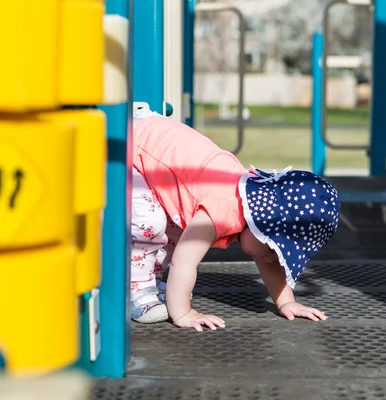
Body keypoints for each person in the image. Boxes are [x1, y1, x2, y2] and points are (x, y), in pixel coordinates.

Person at [129, 108, 341, 331]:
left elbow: (266, 259)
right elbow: (184, 260)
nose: (270, 259)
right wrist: (182, 312)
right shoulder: (224, 207)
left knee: (176, 224)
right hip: (128, 145)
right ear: (262, 223)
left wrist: (286, 301)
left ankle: (149, 276)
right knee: (149, 222)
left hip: (148, 147)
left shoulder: (253, 206)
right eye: (274, 250)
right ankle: (135, 287)